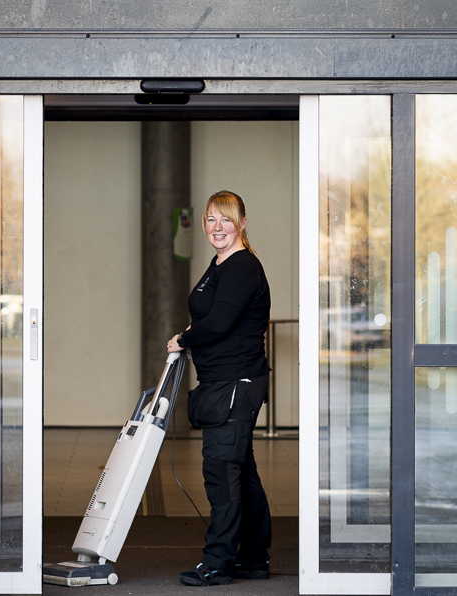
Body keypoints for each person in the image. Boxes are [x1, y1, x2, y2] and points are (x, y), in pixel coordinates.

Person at [167, 190, 272, 587]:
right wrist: (196, 332)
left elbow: (220, 323)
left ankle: (218, 562)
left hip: (236, 382)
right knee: (240, 471)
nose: (217, 228)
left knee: (221, 470)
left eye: (225, 220)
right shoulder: (219, 264)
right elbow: (213, 316)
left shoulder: (243, 266)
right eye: (211, 220)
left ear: (242, 223)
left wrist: (183, 339)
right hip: (221, 381)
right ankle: (254, 557)